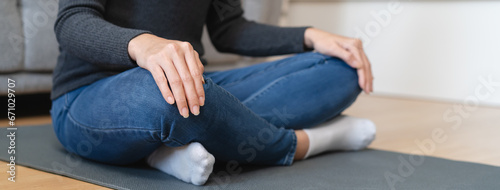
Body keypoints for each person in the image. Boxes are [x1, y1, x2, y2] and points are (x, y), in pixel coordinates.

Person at [50, 0, 376, 186]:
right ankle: (304, 144)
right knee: (165, 93)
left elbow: (229, 29)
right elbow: (73, 20)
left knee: (343, 68)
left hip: (192, 86)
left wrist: (310, 35)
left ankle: (166, 147)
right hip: (87, 95)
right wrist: (142, 45)